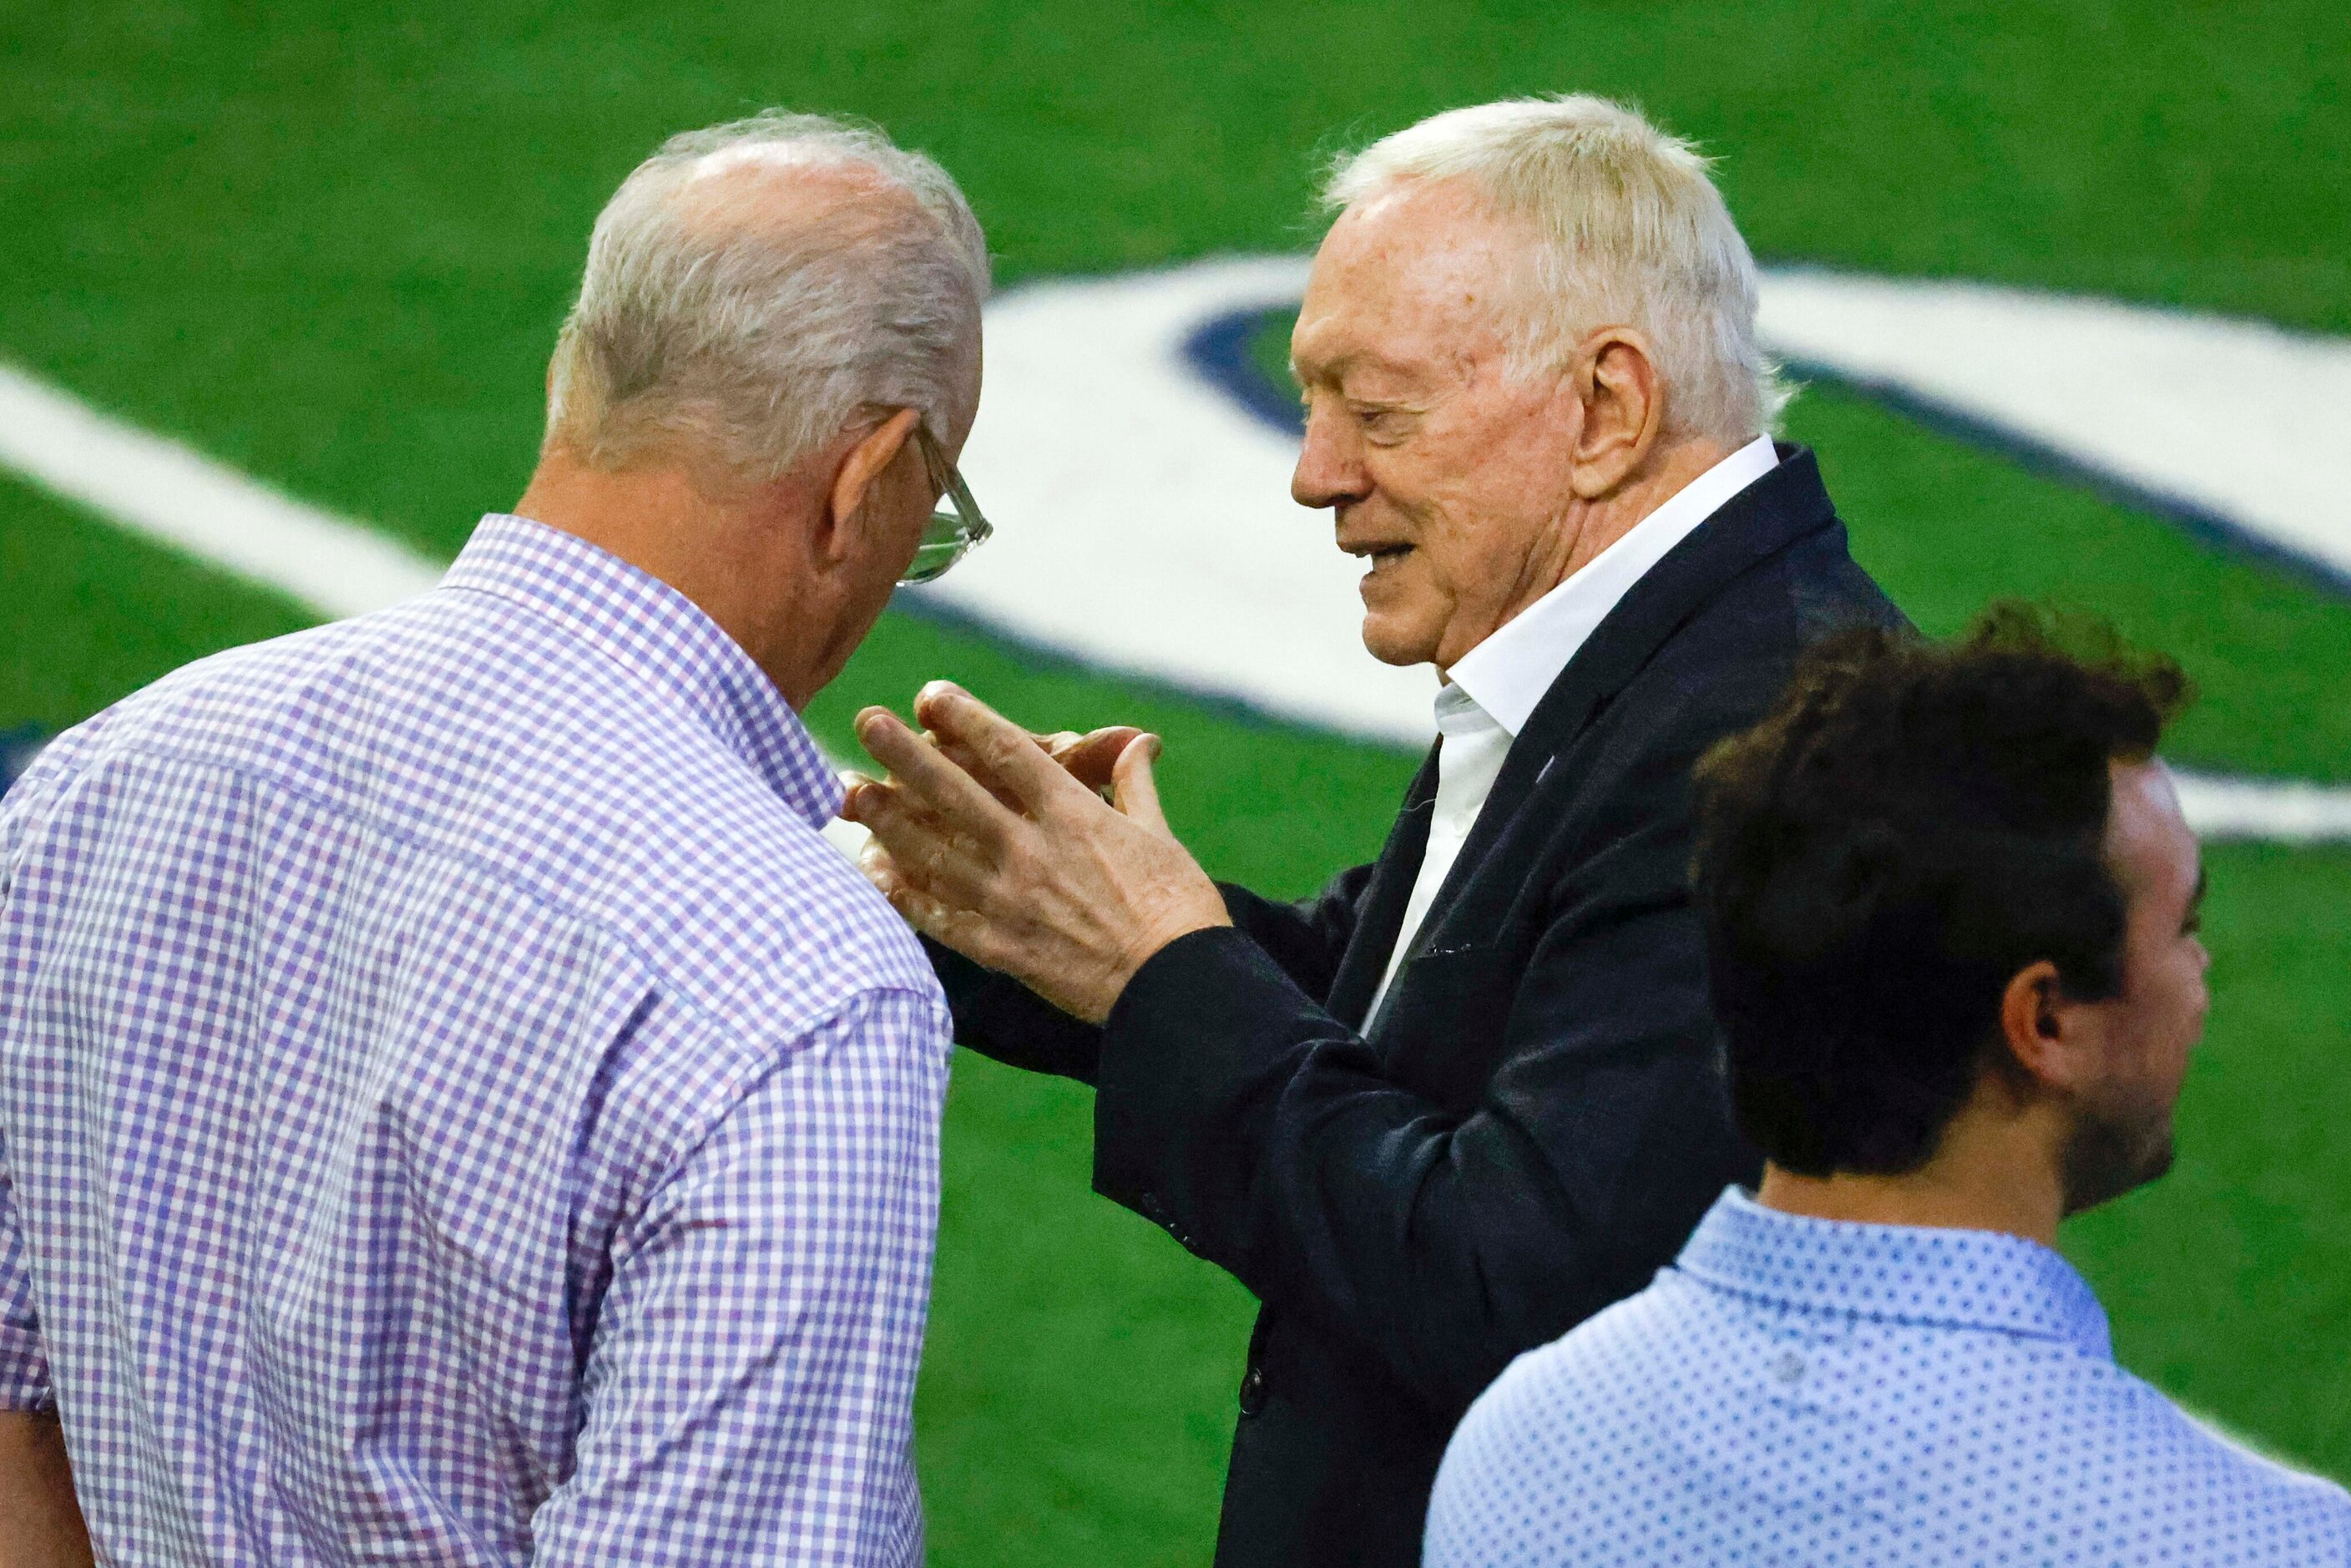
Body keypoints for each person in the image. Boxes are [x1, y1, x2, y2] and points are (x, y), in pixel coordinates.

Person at [843, 95, 1904, 1565]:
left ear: (1605, 409)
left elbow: (1505, 1282)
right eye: (1312, 404)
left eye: (1377, 410)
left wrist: (1157, 970)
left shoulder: (1771, 745)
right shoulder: (1654, 656)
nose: (1316, 472)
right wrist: (1012, 896)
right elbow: (1397, 999)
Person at [0, 111, 989, 1565]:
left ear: (568, 377)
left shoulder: (106, 775)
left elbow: (17, 1408)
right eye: (936, 508)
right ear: (866, 481)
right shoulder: (800, 986)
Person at [1425, 610, 2351, 1565]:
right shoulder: (2254, 1542)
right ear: (2044, 1022)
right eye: (2180, 929)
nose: (2200, 974)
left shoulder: (1512, 1457)